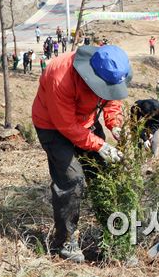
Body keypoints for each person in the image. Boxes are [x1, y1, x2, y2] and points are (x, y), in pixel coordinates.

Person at [32, 45, 131, 263]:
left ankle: (113, 239)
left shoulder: (109, 71)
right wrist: (100, 146)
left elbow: (112, 98)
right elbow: (66, 125)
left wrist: (114, 124)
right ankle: (66, 240)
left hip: (85, 122)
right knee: (71, 179)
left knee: (103, 175)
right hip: (53, 125)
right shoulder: (60, 76)